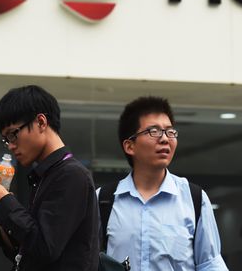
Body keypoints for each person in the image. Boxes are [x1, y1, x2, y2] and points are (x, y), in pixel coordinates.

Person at [0, 85, 99, 271]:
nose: (10, 146)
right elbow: (23, 253)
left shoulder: (71, 174)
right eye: (6, 140)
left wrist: (4, 201)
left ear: (41, 122)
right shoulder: (47, 176)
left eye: (13, 134)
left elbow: (44, 248)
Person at [98, 96, 228, 270]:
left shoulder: (194, 199)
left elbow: (210, 265)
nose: (165, 139)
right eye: (154, 131)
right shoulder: (103, 200)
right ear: (130, 146)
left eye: (170, 131)